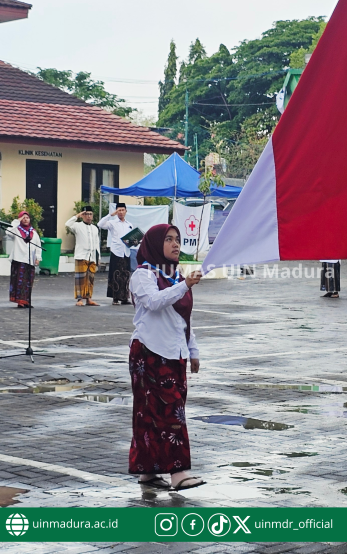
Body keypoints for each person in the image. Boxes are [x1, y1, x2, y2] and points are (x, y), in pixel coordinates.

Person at [128, 224, 204, 491]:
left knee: (161, 413)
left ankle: (147, 471)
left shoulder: (174, 276)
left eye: (178, 240)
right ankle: (177, 473)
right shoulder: (143, 275)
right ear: (154, 243)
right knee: (161, 414)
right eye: (169, 239)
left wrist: (192, 351)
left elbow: (183, 318)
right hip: (149, 352)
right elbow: (153, 302)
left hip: (174, 353)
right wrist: (184, 285)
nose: (175, 244)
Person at [99, 203, 135, 305]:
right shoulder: (112, 223)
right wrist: (111, 215)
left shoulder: (129, 224)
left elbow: (131, 239)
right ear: (116, 211)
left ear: (126, 211)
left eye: (123, 210)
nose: (121, 212)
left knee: (125, 275)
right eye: (119, 210)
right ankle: (115, 297)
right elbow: (100, 224)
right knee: (115, 275)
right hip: (116, 251)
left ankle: (124, 297)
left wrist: (134, 242)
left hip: (126, 251)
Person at [66, 206, 101, 306]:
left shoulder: (95, 228)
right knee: (80, 278)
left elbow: (96, 243)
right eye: (86, 214)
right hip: (81, 255)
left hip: (92, 256)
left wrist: (98, 257)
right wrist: (77, 216)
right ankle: (79, 299)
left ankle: (89, 298)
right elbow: (67, 224)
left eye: (90, 214)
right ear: (83, 215)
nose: (88, 216)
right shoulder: (77, 226)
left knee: (90, 278)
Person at [8, 211, 42, 309]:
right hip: (19, 259)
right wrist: (17, 221)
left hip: (30, 260)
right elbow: (8, 231)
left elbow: (38, 246)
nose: (25, 219)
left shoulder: (33, 232)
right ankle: (20, 301)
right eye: (23, 217)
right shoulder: (16, 230)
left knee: (28, 282)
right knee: (20, 281)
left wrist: (38, 258)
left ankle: (27, 300)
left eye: (27, 217)